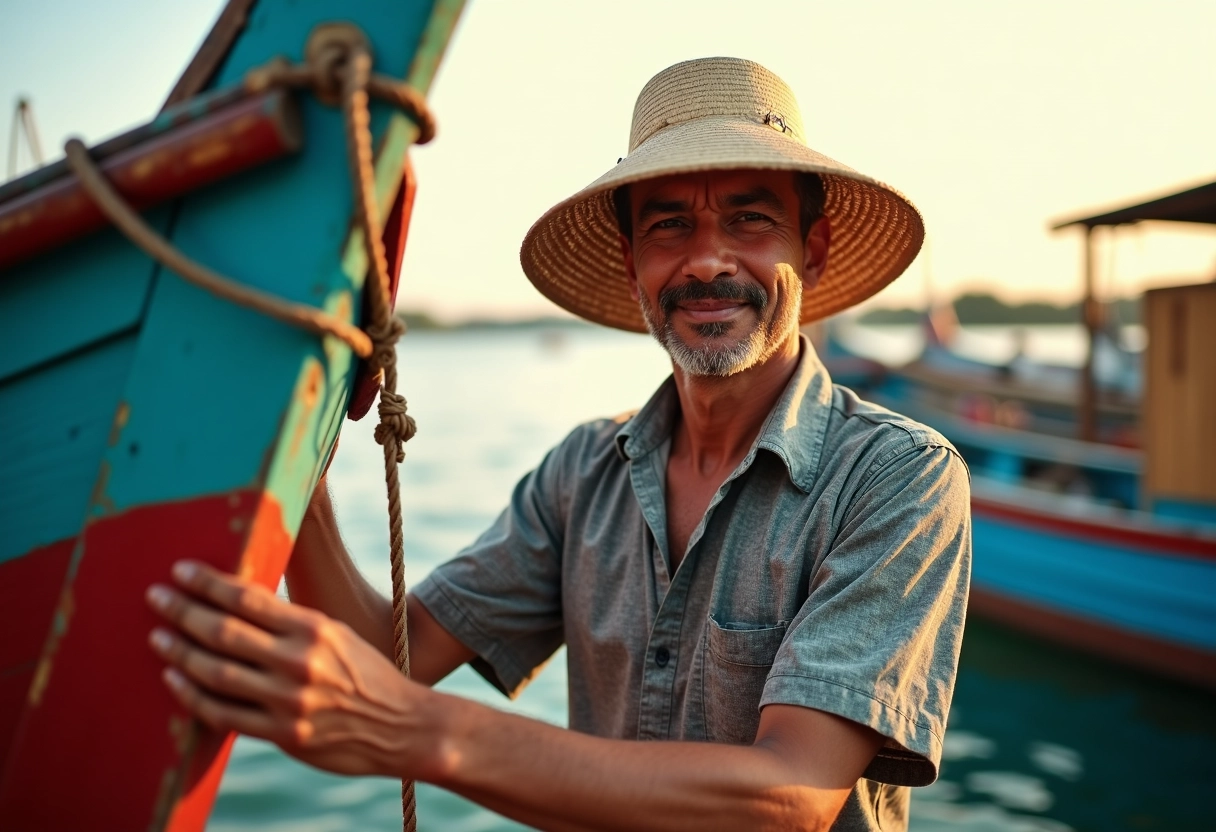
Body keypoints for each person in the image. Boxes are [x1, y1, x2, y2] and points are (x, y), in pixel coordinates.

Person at [146, 57, 971, 831]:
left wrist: (419, 732)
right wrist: (298, 442)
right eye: (668, 225)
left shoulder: (900, 477)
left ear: (812, 250)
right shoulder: (585, 472)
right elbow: (388, 662)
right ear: (631, 262)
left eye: (751, 220)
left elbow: (790, 796)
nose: (708, 259)